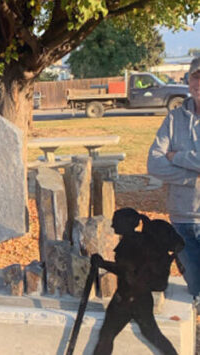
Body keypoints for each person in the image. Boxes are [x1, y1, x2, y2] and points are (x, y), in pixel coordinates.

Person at [147, 56, 200, 297]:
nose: (199, 83)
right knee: (195, 288)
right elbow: (154, 164)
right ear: (189, 81)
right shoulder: (174, 119)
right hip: (182, 220)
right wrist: (193, 178)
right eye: (196, 77)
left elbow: (167, 159)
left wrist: (178, 156)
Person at [91, 208, 178, 355]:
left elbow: (126, 270)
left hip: (132, 299)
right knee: (108, 335)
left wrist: (102, 263)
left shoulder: (130, 244)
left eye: (116, 222)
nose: (112, 226)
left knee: (110, 336)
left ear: (127, 223)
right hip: (131, 296)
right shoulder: (136, 241)